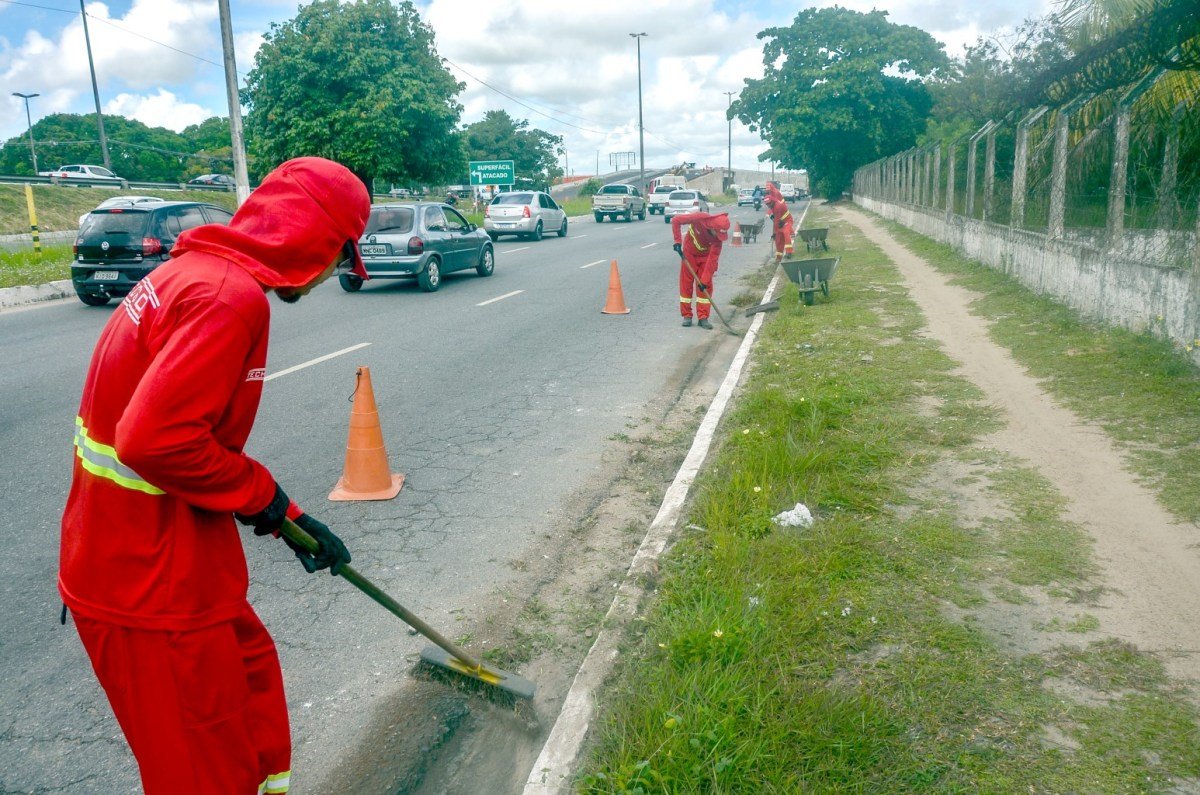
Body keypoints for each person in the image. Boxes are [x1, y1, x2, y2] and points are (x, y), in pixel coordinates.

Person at [59, 157, 370, 794]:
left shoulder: (186, 273)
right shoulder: (228, 299)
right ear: (315, 240)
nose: (324, 281)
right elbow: (155, 440)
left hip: (152, 558)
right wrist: (262, 495)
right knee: (204, 774)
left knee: (251, 708)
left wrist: (287, 517)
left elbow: (165, 436)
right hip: (152, 583)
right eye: (341, 257)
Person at [671, 211, 730, 330]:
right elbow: (676, 220)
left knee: (705, 286)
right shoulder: (699, 218)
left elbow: (713, 260)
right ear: (713, 227)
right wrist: (677, 241)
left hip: (706, 257)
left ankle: (703, 317)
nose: (718, 238)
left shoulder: (718, 241)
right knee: (686, 284)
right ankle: (687, 315)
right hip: (689, 254)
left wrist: (704, 280)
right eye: (717, 234)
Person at [764, 194, 794, 263]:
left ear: (772, 201)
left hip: (787, 221)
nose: (768, 205)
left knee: (786, 233)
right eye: (767, 204)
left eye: (769, 203)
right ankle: (779, 257)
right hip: (780, 222)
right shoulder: (772, 206)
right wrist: (775, 234)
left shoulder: (777, 206)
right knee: (778, 239)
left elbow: (776, 222)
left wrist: (774, 233)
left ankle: (789, 252)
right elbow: (776, 221)